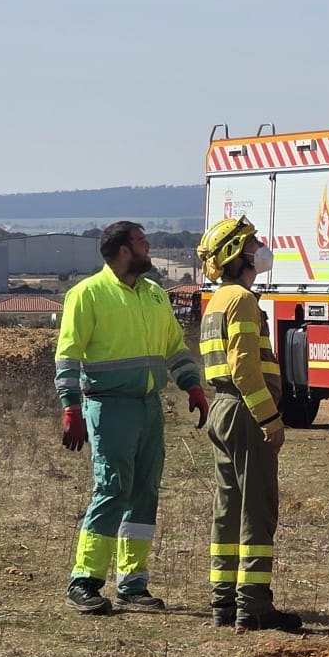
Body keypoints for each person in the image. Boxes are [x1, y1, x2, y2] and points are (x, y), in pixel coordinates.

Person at [55, 221, 208, 614]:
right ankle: (84, 581)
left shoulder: (154, 294)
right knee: (111, 490)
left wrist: (192, 385)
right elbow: (68, 355)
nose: (148, 246)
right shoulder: (87, 295)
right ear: (123, 250)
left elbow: (175, 348)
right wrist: (71, 406)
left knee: (144, 495)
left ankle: (133, 584)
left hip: (148, 407)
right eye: (141, 242)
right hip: (109, 408)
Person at [195, 216, 304, 634]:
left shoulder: (217, 300)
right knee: (258, 509)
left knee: (228, 509)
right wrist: (269, 418)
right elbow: (244, 368)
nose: (260, 246)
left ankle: (223, 601)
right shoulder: (241, 299)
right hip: (244, 412)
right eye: (253, 242)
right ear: (235, 254)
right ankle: (254, 605)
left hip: (223, 409)